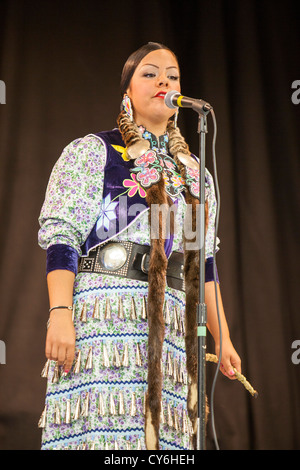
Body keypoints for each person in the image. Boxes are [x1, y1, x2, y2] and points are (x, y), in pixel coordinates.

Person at [38, 42, 241, 451]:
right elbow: (62, 238)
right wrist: (59, 313)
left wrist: (224, 339)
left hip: (169, 324)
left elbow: (203, 263)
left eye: (173, 75)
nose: (164, 80)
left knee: (160, 440)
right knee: (105, 432)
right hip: (105, 315)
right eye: (149, 73)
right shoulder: (94, 152)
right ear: (127, 91)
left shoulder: (195, 174)